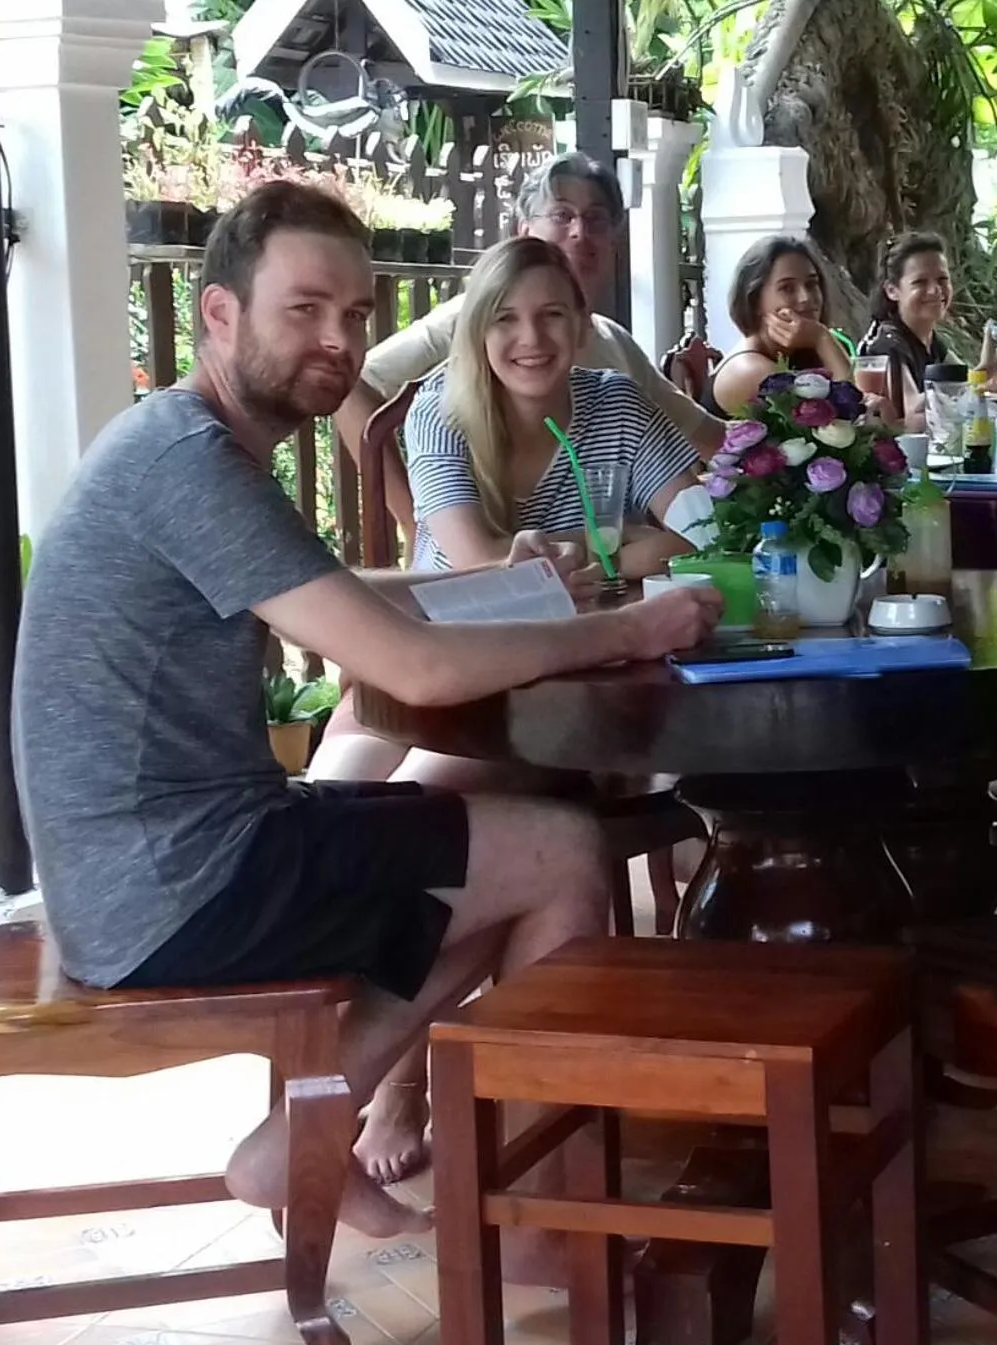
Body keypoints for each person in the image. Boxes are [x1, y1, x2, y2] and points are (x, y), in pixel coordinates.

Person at [11, 179, 719, 1243]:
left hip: (161, 867)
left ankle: (305, 1133)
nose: (336, 341)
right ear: (219, 312)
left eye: (353, 316)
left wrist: (514, 588)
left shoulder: (186, 444)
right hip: (178, 885)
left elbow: (347, 595)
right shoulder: (189, 464)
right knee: (558, 853)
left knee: (495, 842)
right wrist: (626, 629)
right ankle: (539, 1238)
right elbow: (415, 671)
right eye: (304, 309)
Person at [317, 236, 705, 1181]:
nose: (530, 339)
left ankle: (392, 1086)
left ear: (580, 325)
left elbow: (699, 516)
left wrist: (598, 544)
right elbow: (475, 554)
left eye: (550, 317)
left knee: (418, 818)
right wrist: (613, 547)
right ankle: (321, 1076)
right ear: (478, 331)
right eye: (507, 319)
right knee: (331, 810)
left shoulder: (611, 406)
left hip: (556, 703)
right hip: (435, 680)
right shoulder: (443, 419)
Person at [336, 153, 723, 526]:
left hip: (606, 582)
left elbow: (704, 435)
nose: (579, 232)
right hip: (485, 572)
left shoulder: (612, 345)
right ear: (524, 231)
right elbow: (357, 383)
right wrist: (412, 516)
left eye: (596, 220)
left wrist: (775, 442)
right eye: (562, 215)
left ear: (614, 244)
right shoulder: (471, 320)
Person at [712, 235, 853, 415]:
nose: (806, 298)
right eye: (787, 288)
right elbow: (850, 417)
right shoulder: (748, 370)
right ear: (754, 301)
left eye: (811, 284)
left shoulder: (798, 353)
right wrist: (822, 338)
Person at [859, 231, 956, 427]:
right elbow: (915, 416)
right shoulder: (887, 342)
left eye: (942, 279)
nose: (935, 290)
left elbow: (967, 380)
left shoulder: (931, 339)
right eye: (920, 282)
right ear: (892, 291)